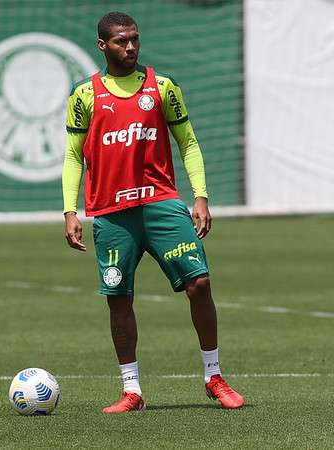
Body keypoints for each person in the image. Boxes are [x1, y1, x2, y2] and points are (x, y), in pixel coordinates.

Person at [62, 11, 244, 413]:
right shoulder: (85, 95)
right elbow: (74, 155)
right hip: (111, 213)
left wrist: (200, 196)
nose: (130, 47)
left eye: (134, 39)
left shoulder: (162, 87)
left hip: (161, 204)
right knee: (119, 299)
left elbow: (189, 143)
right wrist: (69, 210)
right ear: (102, 46)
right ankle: (132, 390)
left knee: (200, 283)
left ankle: (213, 377)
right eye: (121, 41)